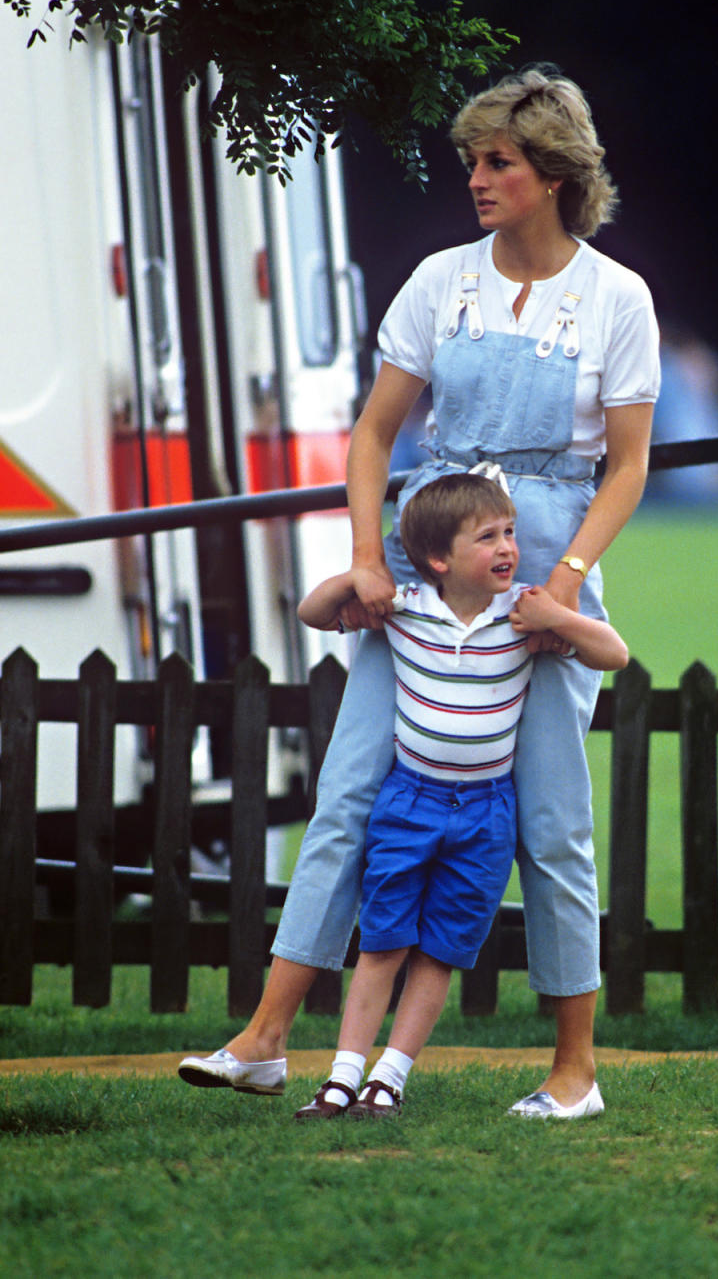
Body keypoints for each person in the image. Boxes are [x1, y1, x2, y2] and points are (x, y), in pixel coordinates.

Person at [177, 65, 660, 1118]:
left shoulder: (618, 298)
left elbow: (626, 466)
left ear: (555, 174)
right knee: (347, 796)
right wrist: (366, 558)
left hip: (543, 580)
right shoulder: (441, 280)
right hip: (422, 566)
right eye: (471, 161)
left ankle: (575, 1072)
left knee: (552, 819)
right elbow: (373, 433)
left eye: (497, 163)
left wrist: (565, 580)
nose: (476, 179)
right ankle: (264, 1039)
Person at [257, 472, 626, 1119]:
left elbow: (614, 654)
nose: (510, 546)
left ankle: (388, 1080)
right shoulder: (404, 612)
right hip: (409, 804)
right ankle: (342, 1076)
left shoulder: (521, 618)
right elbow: (314, 613)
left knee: (441, 949)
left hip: (485, 814)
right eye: (489, 537)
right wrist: (356, 579)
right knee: (383, 941)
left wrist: (557, 615)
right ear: (439, 560)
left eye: (510, 532)